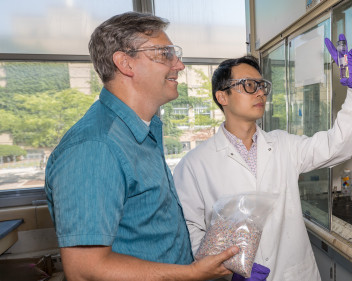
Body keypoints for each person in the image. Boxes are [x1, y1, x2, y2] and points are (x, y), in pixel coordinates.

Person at [44, 12, 238, 281]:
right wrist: (192, 273)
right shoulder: (95, 147)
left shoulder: (142, 132)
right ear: (125, 63)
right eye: (165, 54)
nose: (179, 65)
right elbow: (85, 269)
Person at [173, 34, 352, 281]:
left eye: (261, 85)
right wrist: (225, 268)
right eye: (248, 85)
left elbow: (337, 146)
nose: (260, 93)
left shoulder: (283, 144)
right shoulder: (194, 164)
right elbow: (190, 228)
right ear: (222, 96)